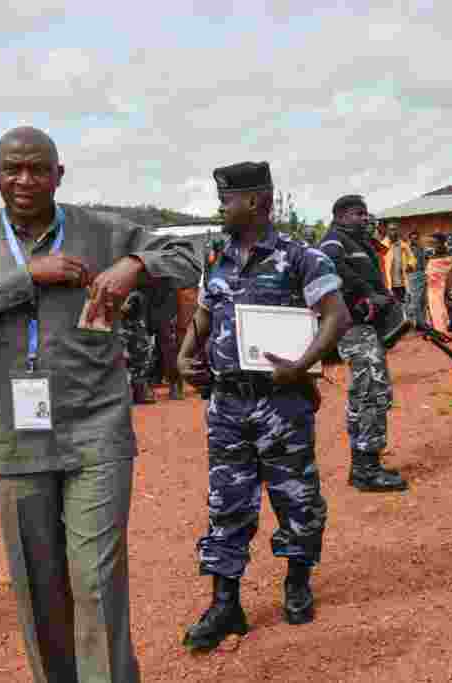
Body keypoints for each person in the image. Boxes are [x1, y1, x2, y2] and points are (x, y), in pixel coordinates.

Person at [0, 126, 198, 683]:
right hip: (16, 432)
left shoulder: (100, 230)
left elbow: (188, 256)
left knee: (97, 580)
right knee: (39, 585)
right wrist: (24, 278)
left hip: (95, 426)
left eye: (38, 169)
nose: (25, 180)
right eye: (13, 169)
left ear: (59, 175)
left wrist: (134, 265)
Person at [177, 161, 349, 652]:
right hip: (227, 404)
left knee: (296, 497)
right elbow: (205, 313)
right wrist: (186, 354)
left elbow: (336, 316)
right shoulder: (218, 258)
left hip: (282, 402)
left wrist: (303, 365)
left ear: (254, 201)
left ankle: (297, 582)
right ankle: (225, 603)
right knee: (226, 502)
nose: (220, 208)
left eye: (226, 200)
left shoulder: (301, 258)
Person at [320, 196, 409, 492]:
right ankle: (367, 470)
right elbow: (331, 268)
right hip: (353, 328)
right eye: (358, 214)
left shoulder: (358, 242)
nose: (364, 218)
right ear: (341, 216)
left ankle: (362, 465)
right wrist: (367, 293)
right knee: (372, 392)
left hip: (365, 328)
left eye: (365, 213)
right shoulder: (334, 242)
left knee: (364, 393)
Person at [118, 289, 156, 404]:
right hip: (123, 329)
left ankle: (140, 392)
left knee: (141, 363)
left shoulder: (137, 296)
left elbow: (127, 309)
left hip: (137, 331)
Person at [383, 224, 415, 301]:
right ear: (387, 231)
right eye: (391, 229)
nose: (393, 232)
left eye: (395, 229)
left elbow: (412, 258)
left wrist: (410, 265)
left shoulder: (403, 245)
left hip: (402, 282)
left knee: (403, 303)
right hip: (389, 283)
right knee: (392, 304)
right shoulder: (382, 245)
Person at [405, 231, 428, 328]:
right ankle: (418, 322)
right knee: (416, 300)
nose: (414, 240)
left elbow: (426, 260)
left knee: (423, 300)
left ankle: (423, 321)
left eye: (416, 238)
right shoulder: (407, 249)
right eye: (412, 238)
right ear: (410, 239)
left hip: (423, 274)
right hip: (413, 275)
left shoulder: (422, 248)